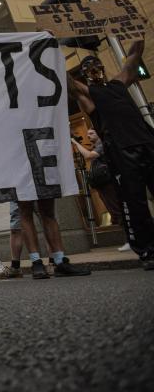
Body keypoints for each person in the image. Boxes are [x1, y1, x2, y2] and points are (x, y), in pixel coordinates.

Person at [69, 46, 154, 269]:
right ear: (85, 73)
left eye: (96, 65)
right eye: (88, 67)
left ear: (102, 68)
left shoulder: (118, 84)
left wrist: (136, 35)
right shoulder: (88, 96)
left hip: (146, 143)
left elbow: (132, 61)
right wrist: (47, 47)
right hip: (121, 152)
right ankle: (148, 250)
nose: (94, 69)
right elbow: (68, 83)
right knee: (135, 204)